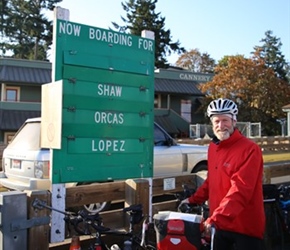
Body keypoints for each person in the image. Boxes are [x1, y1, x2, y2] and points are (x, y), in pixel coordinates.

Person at [181, 98, 265, 250]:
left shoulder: (250, 149)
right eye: (216, 121)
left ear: (234, 121)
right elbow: (211, 181)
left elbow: (241, 189)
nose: (221, 126)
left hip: (244, 226)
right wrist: (192, 200)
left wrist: (216, 219)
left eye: (225, 120)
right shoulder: (213, 147)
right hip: (219, 226)